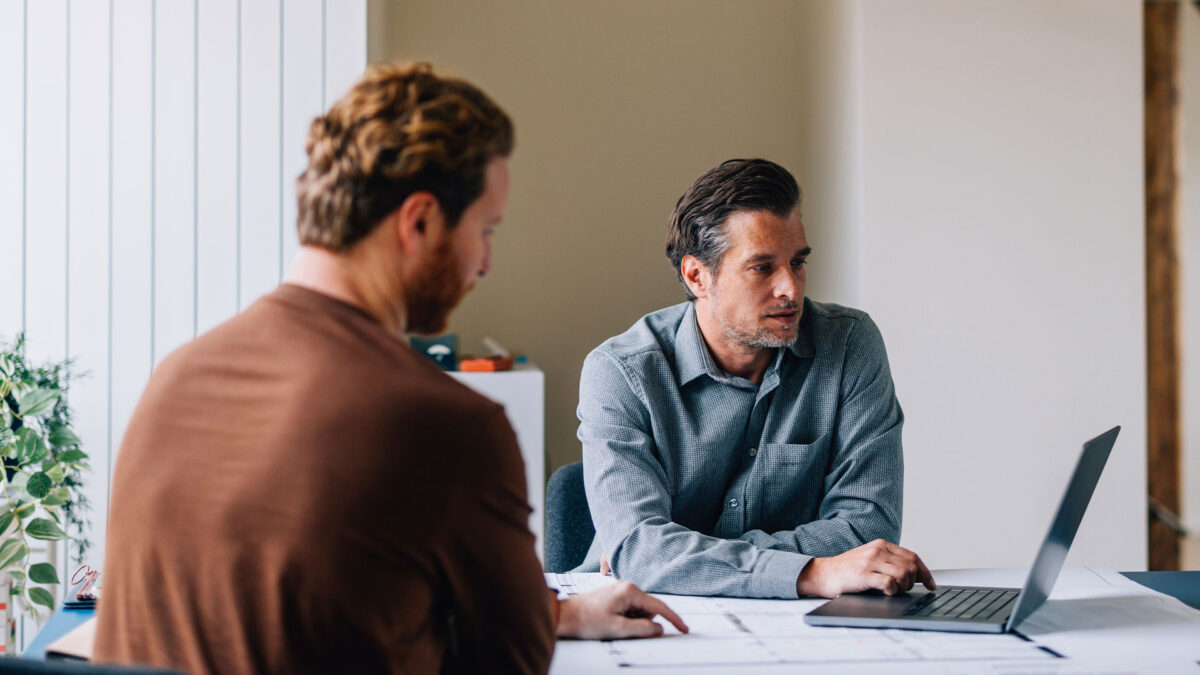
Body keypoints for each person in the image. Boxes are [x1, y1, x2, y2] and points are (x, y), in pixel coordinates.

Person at [94, 62, 685, 675]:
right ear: (420, 221)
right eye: (485, 230)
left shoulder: (176, 378)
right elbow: (507, 664)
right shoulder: (447, 424)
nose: (485, 262)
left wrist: (556, 613)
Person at [578, 158, 935, 599]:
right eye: (762, 267)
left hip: (799, 619)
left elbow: (868, 527)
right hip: (644, 608)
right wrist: (810, 572)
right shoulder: (621, 373)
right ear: (697, 276)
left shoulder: (848, 345)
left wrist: (681, 557)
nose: (791, 288)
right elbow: (642, 552)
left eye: (798, 262)